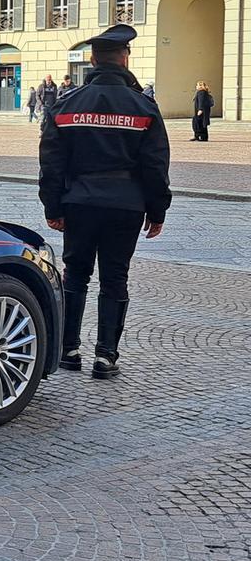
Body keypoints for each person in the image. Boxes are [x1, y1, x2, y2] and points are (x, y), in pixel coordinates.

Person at [39, 24, 171, 380]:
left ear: (93, 60)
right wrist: (158, 210)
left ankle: (68, 350)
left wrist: (53, 207)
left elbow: (51, 162)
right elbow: (156, 165)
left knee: (75, 275)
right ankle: (106, 357)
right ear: (125, 58)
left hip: (79, 202)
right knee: (115, 277)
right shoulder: (143, 107)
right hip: (126, 205)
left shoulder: (67, 104)